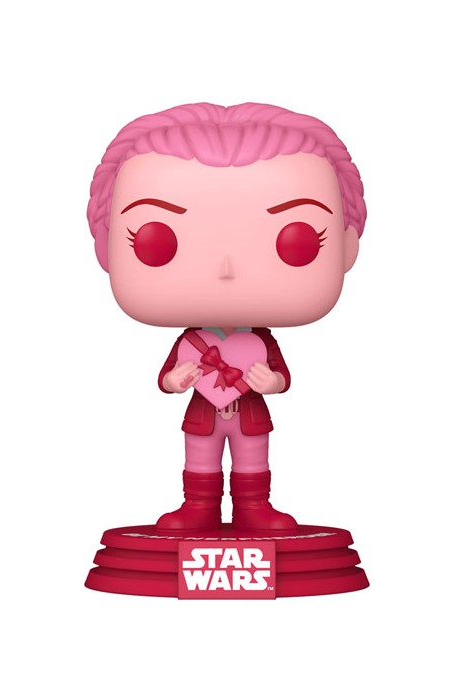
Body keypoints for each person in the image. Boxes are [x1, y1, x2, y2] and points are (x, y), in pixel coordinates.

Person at [87, 102, 366, 531]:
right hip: (203, 417)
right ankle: (197, 508)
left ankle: (255, 509)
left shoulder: (260, 341)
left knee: (253, 463)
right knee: (200, 462)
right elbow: (165, 378)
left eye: (298, 240)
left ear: (347, 246)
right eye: (155, 241)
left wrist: (272, 383)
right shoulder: (190, 342)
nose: (226, 269)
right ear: (106, 248)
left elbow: (281, 374)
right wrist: (174, 380)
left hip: (250, 419)